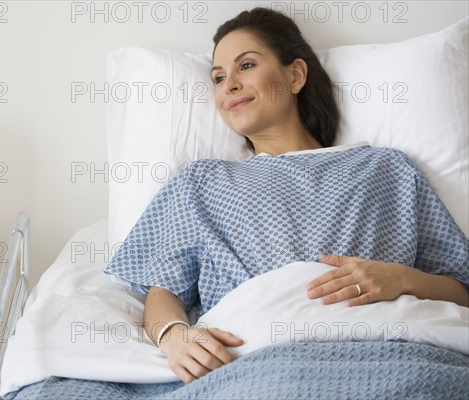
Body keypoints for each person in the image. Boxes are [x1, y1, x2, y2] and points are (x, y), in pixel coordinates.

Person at [105, 7, 469, 384]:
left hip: (394, 354)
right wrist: (174, 336)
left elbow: (462, 288)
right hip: (252, 365)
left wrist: (402, 279)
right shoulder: (201, 182)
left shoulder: (386, 168)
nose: (228, 84)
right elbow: (162, 290)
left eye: (245, 65)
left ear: (295, 75)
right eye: (217, 77)